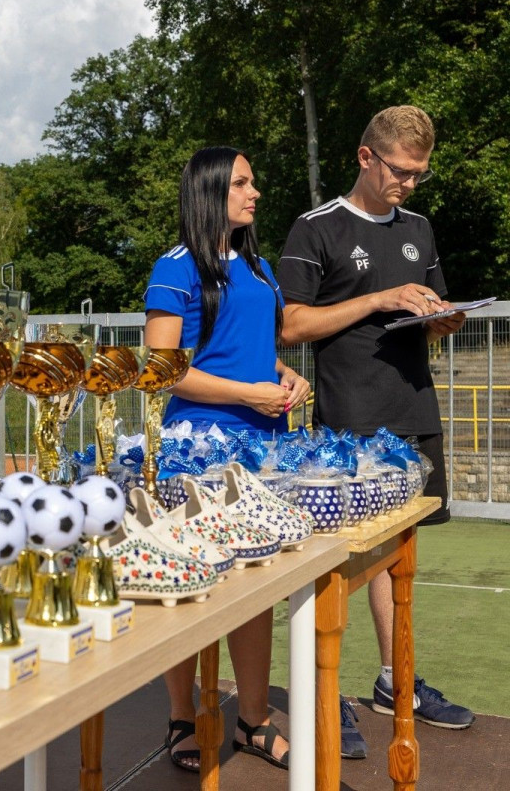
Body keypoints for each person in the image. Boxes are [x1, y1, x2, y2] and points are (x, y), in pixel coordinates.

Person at [277, 105, 475, 759]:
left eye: (419, 174)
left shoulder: (420, 227)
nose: (409, 185)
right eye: (400, 171)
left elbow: (432, 305)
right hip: (349, 423)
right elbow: (290, 326)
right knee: (342, 562)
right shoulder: (317, 229)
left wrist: (443, 320)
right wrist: (378, 298)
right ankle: (319, 687)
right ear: (367, 157)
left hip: (413, 412)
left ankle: (397, 682)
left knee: (401, 559)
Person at [144, 146, 310, 772]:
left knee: (257, 591)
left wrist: (287, 377)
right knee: (188, 587)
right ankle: (181, 718)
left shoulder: (261, 268)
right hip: (199, 456)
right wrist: (247, 394)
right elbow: (163, 371)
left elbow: (249, 352)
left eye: (253, 179)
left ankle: (253, 720)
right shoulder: (175, 266)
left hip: (263, 453)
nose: (255, 191)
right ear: (211, 190)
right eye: (243, 181)